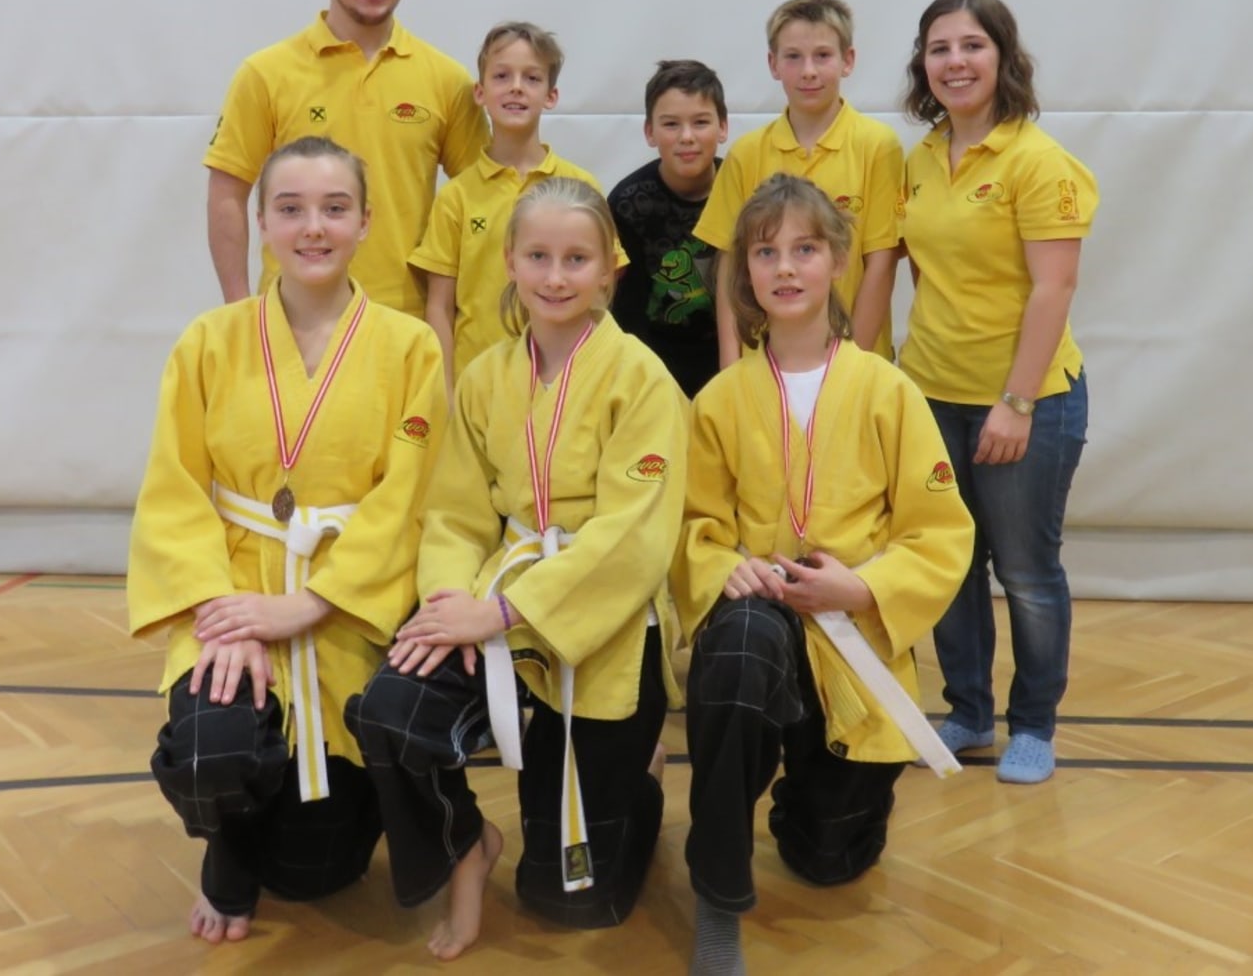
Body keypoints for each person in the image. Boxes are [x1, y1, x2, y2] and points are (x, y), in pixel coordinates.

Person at [347, 176, 687, 961]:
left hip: (597, 616)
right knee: (391, 709)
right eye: (538, 256)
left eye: (576, 259)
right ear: (508, 261)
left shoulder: (642, 379)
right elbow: (456, 513)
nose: (556, 277)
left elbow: (633, 536)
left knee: (571, 899)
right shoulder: (485, 377)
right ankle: (465, 845)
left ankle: (639, 774)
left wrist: (505, 612)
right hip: (494, 593)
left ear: (609, 268)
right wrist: (450, 603)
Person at [127, 136, 446, 943]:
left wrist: (310, 603)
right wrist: (223, 613)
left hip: (344, 601)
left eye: (335, 209)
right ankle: (226, 855)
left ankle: (331, 817)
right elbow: (173, 487)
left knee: (315, 874)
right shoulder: (209, 340)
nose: (313, 227)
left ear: (366, 222)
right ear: (262, 223)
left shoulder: (411, 347)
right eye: (291, 208)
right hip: (234, 590)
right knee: (213, 751)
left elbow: (408, 498)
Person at [674, 175, 972, 976]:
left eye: (804, 248)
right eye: (765, 251)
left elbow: (940, 529)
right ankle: (718, 894)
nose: (785, 267)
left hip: (854, 636)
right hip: (761, 622)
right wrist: (725, 565)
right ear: (744, 272)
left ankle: (807, 791)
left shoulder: (887, 390)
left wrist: (864, 587)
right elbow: (693, 525)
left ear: (838, 260)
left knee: (829, 859)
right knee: (738, 652)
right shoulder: (720, 400)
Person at [897, 0, 1097, 784]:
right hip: (931, 394)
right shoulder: (920, 158)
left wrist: (1014, 403)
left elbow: (1054, 289)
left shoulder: (1036, 161)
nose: (955, 62)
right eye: (939, 48)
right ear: (923, 64)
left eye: (972, 45)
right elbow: (926, 271)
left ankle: (1034, 726)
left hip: (1026, 402)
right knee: (950, 565)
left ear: (1004, 58)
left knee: (1026, 573)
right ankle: (970, 712)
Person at [204, 0, 487, 313]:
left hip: (405, 324)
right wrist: (238, 312)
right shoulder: (266, 74)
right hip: (291, 319)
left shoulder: (448, 80)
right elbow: (227, 193)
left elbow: (483, 198)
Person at [693, 0, 902, 364]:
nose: (808, 71)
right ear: (773, 64)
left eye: (822, 55)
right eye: (793, 56)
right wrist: (730, 360)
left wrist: (852, 364)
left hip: (854, 356)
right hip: (764, 361)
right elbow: (730, 266)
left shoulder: (878, 147)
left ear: (848, 60)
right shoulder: (746, 154)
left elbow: (881, 264)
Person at [411, 22, 622, 388]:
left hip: (564, 381)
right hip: (477, 384)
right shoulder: (456, 196)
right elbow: (439, 307)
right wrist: (445, 391)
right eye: (502, 76)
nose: (516, 87)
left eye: (532, 78)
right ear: (480, 92)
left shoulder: (582, 187)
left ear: (551, 95)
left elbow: (601, 291)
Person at [608, 59, 730, 397]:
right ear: (650, 131)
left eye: (701, 122)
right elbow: (623, 313)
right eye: (671, 124)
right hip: (652, 371)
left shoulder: (743, 190)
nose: (686, 137)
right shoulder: (627, 203)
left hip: (733, 362)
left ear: (723, 127)